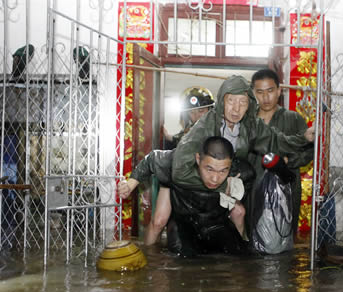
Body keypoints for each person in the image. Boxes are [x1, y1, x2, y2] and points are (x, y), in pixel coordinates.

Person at [171, 75, 316, 236]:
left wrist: (304, 138)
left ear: (250, 105)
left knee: (240, 204)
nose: (236, 109)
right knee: (172, 229)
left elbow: (275, 142)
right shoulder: (205, 126)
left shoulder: (250, 124)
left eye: (242, 102)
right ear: (222, 101)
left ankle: (241, 246)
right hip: (193, 189)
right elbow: (180, 171)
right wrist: (221, 185)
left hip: (224, 188)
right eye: (231, 101)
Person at [118, 137, 252, 257]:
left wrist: (234, 195)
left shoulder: (242, 173)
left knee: (237, 254)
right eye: (209, 169)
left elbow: (239, 210)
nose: (215, 178)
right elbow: (151, 160)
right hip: (183, 222)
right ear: (198, 159)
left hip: (215, 223)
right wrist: (129, 184)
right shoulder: (177, 164)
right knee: (160, 224)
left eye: (223, 171)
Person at [120, 87, 214, 246]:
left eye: (202, 111)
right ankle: (147, 256)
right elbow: (168, 151)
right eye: (192, 112)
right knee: (158, 221)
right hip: (174, 176)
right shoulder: (185, 133)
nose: (197, 116)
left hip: (202, 184)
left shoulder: (216, 134)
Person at [250, 68, 315, 235]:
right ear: (253, 93)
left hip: (286, 187)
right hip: (252, 187)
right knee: (253, 233)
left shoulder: (293, 118)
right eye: (260, 92)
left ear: (279, 91)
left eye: (270, 91)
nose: (265, 97)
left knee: (284, 233)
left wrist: (288, 161)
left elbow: (309, 151)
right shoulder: (248, 122)